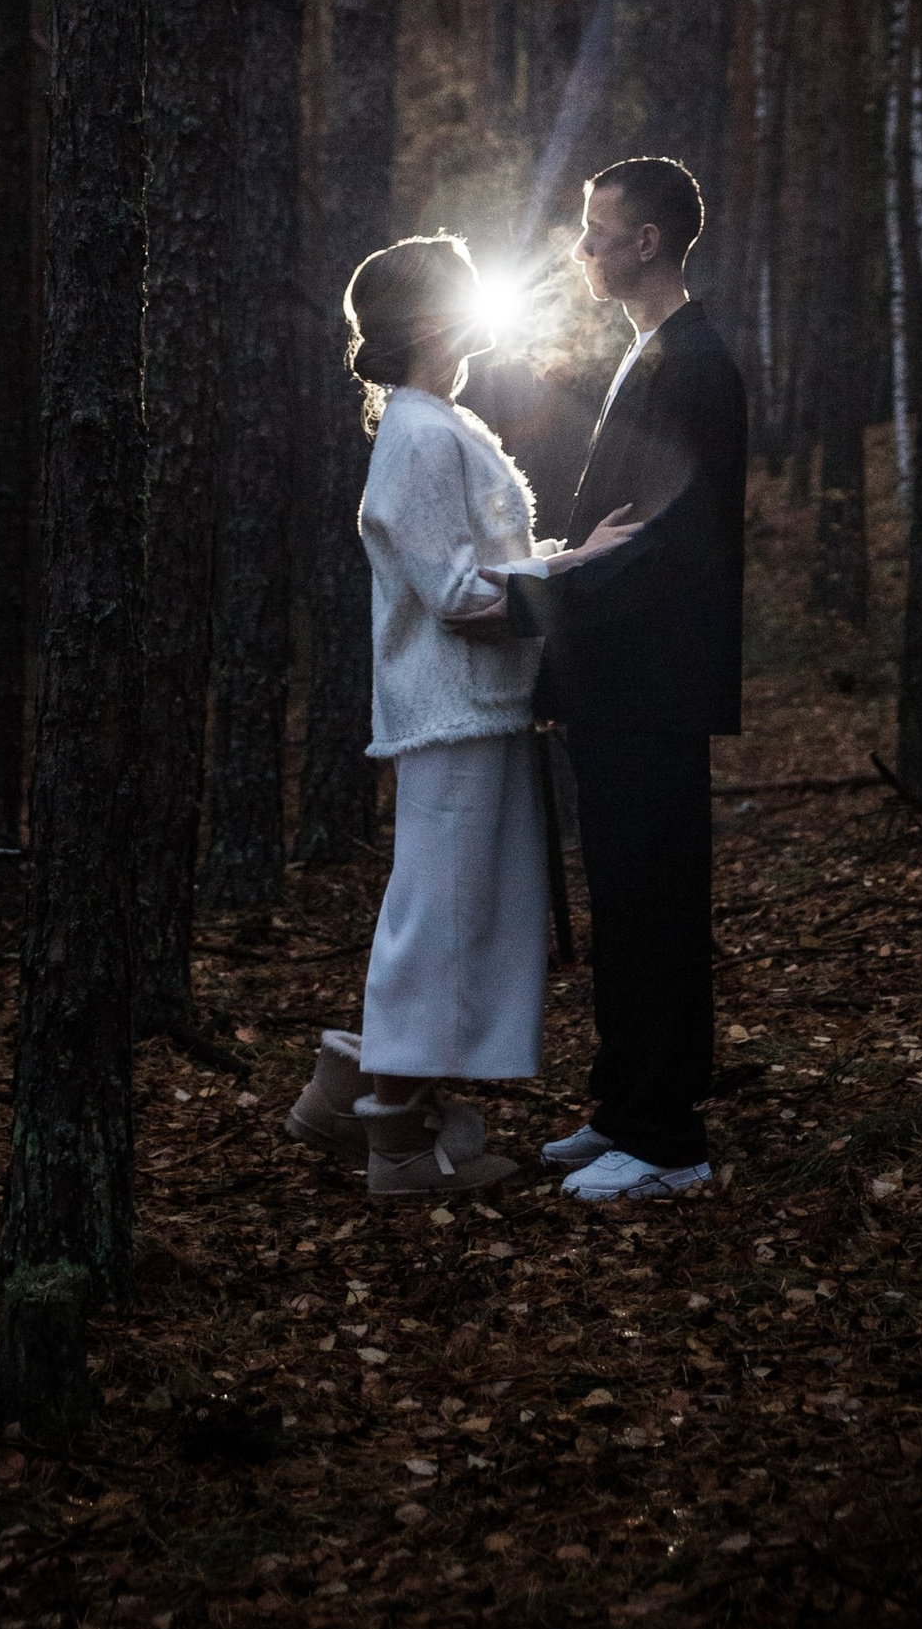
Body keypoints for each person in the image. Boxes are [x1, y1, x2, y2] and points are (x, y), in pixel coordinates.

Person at [282, 230, 634, 1200]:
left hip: (477, 711)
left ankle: (348, 1094)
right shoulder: (420, 433)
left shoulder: (438, 422)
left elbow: (476, 569)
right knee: (439, 920)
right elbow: (459, 597)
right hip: (452, 714)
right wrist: (578, 565)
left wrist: (565, 560)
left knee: (456, 915)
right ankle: (393, 1139)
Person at [477, 156, 746, 1205]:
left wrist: (539, 595)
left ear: (646, 243)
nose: (580, 251)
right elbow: (620, 528)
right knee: (625, 907)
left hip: (654, 684)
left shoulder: (695, 361)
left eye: (596, 233)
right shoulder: (652, 353)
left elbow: (678, 543)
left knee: (655, 904)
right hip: (619, 681)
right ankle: (620, 1110)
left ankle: (669, 1142)